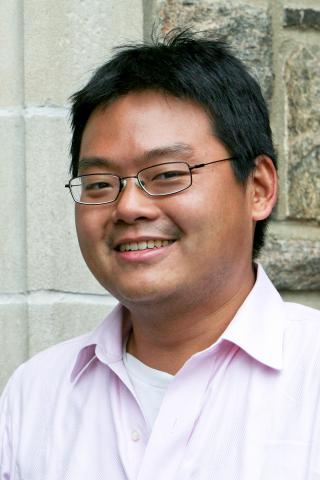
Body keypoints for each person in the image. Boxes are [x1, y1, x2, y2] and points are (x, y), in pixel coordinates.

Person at [1, 30, 320, 479]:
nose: (128, 207)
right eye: (99, 184)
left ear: (259, 189)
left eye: (168, 174)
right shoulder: (34, 396)